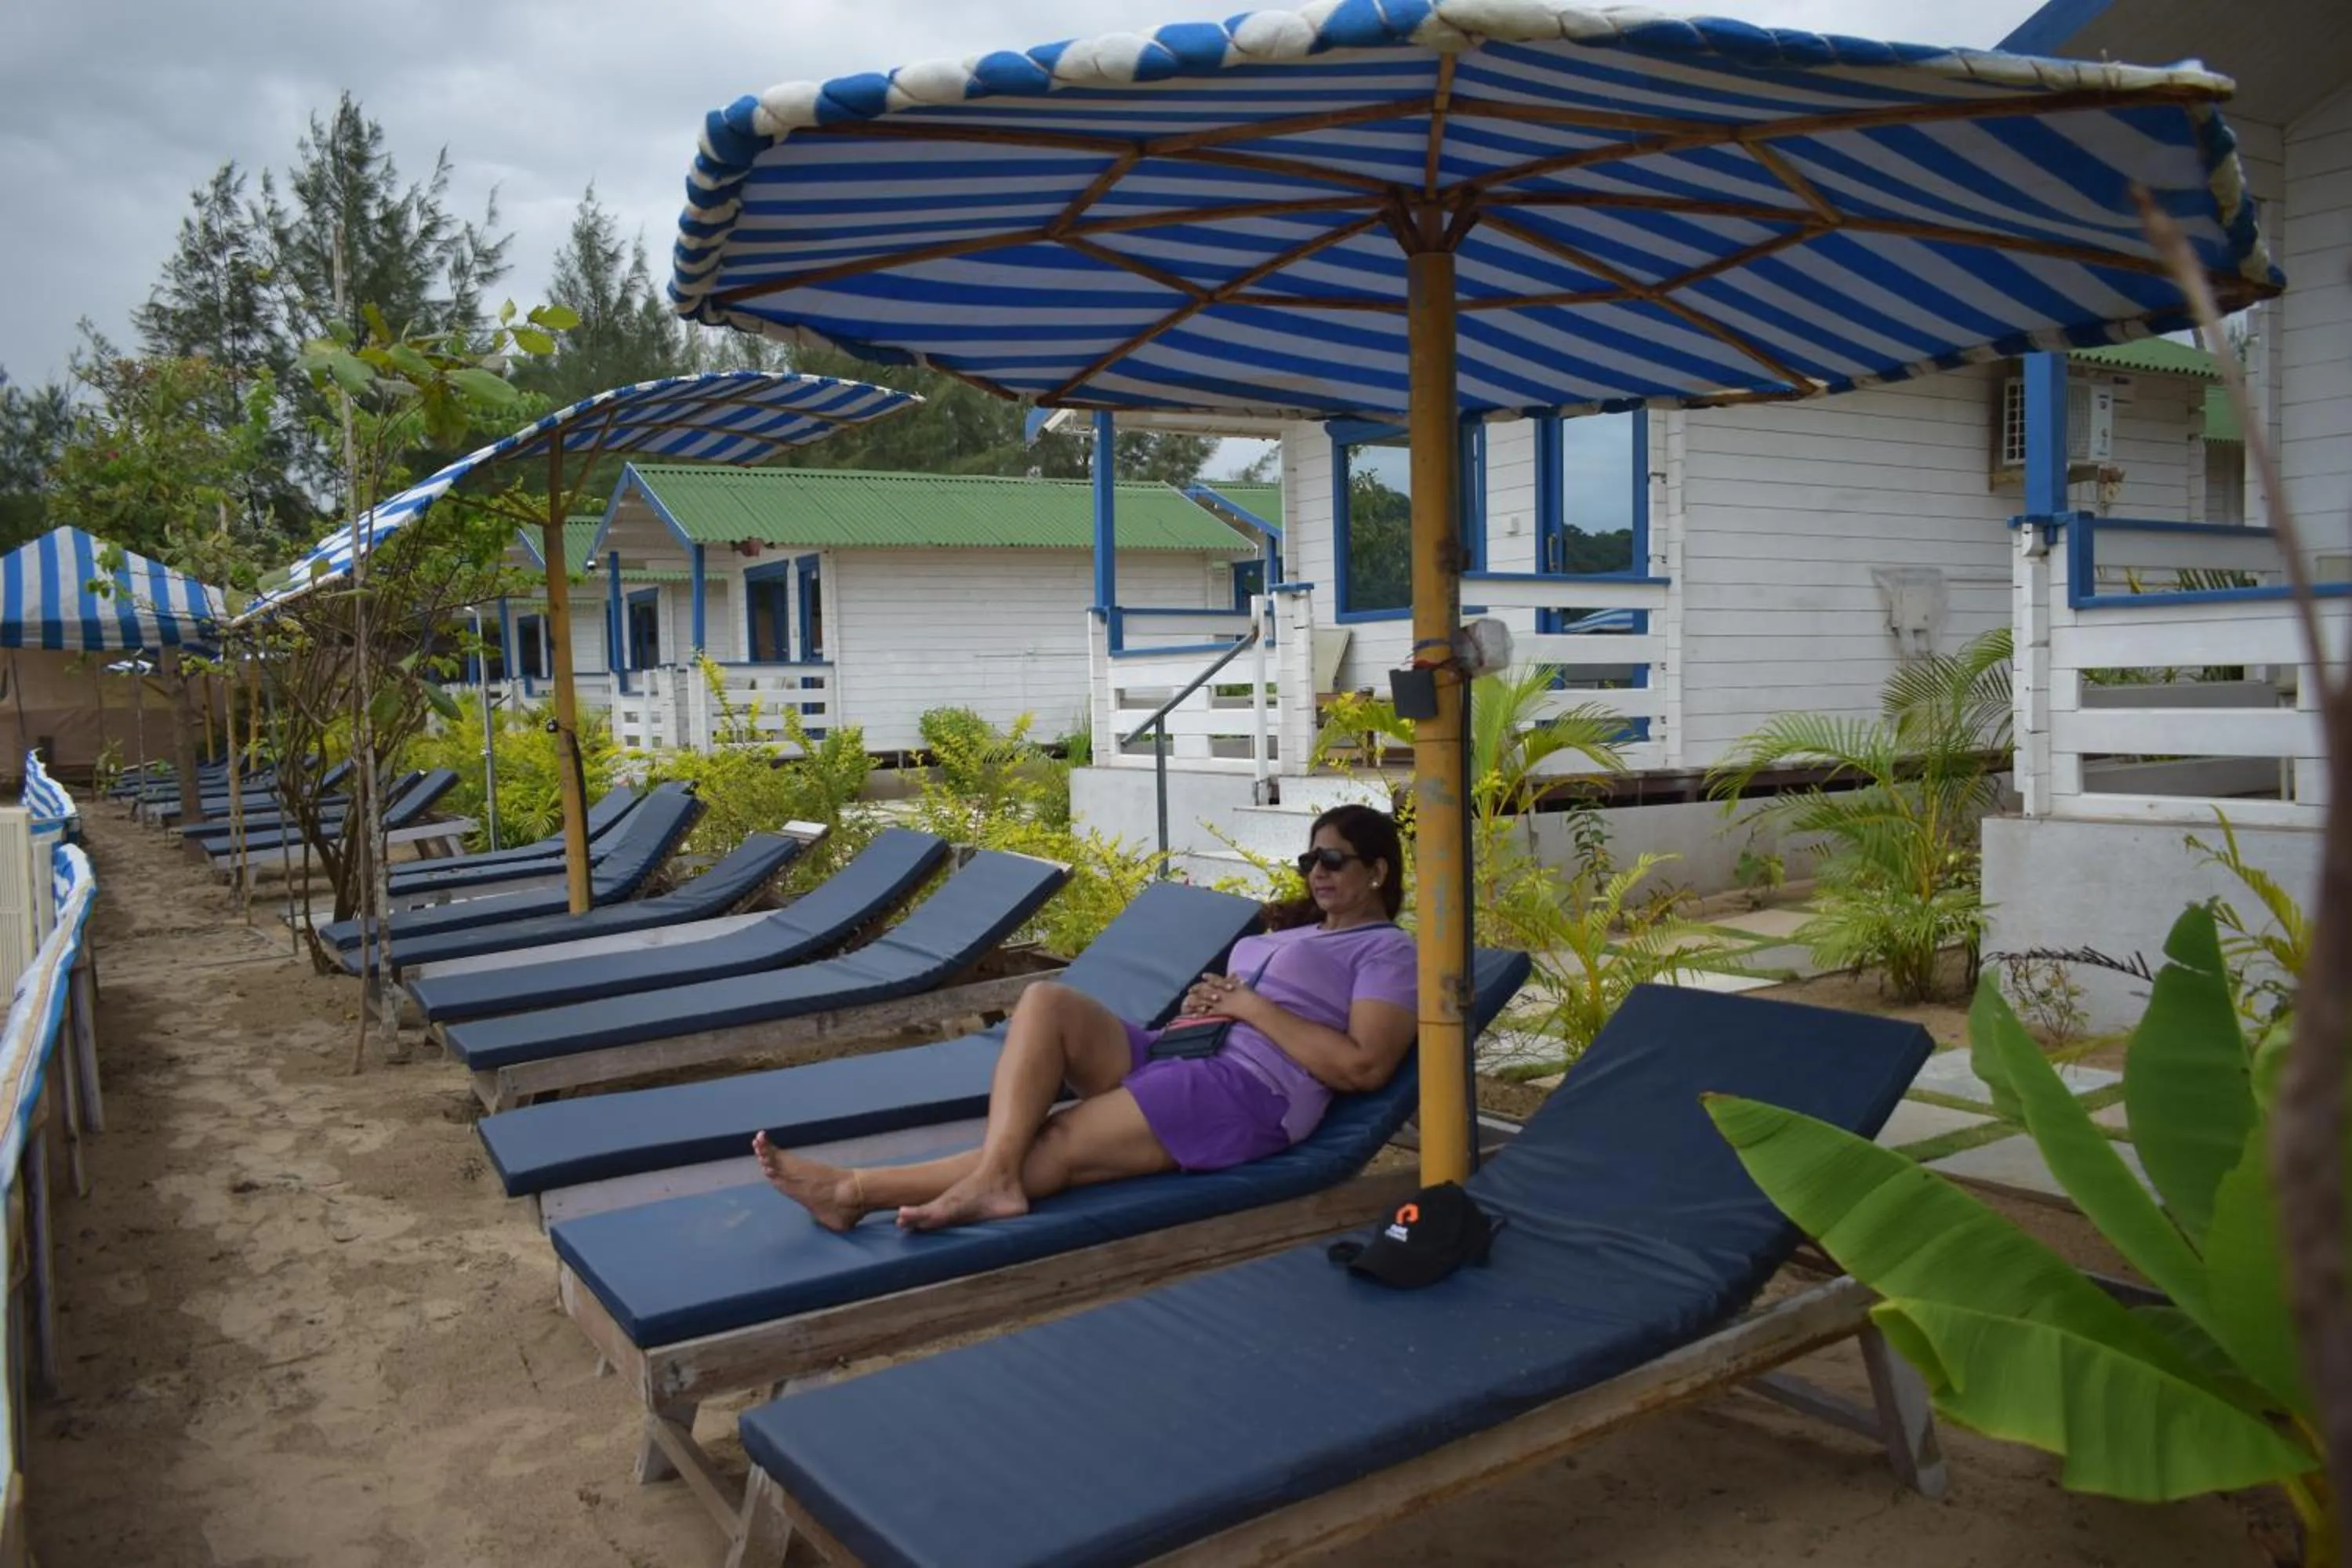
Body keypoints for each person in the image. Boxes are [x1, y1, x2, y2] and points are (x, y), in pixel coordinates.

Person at [754, 803, 1418, 1232]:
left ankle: (857, 1192)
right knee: (1047, 1003)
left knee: (1062, 1140)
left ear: (1378, 871)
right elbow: (1249, 1005)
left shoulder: (1386, 949)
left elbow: (1363, 1066)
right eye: (1309, 859)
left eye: (1334, 859)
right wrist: (1208, 1004)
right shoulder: (1288, 934)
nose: (1316, 871)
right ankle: (995, 1173)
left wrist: (1249, 1007)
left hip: (1248, 1090)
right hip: (1184, 1050)